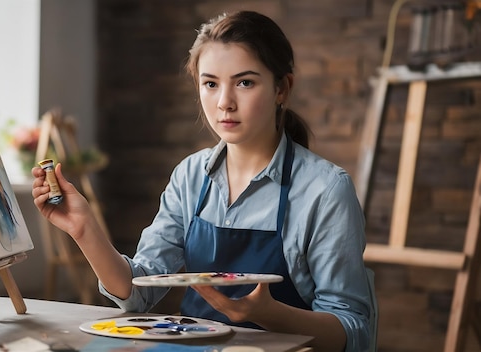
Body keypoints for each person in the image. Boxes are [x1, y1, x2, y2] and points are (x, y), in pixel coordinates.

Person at [32, 10, 375, 352]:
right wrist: (84, 228)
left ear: (282, 88)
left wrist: (271, 314)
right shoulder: (190, 177)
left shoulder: (325, 189)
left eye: (245, 82)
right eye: (210, 84)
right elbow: (138, 294)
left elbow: (352, 330)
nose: (224, 103)